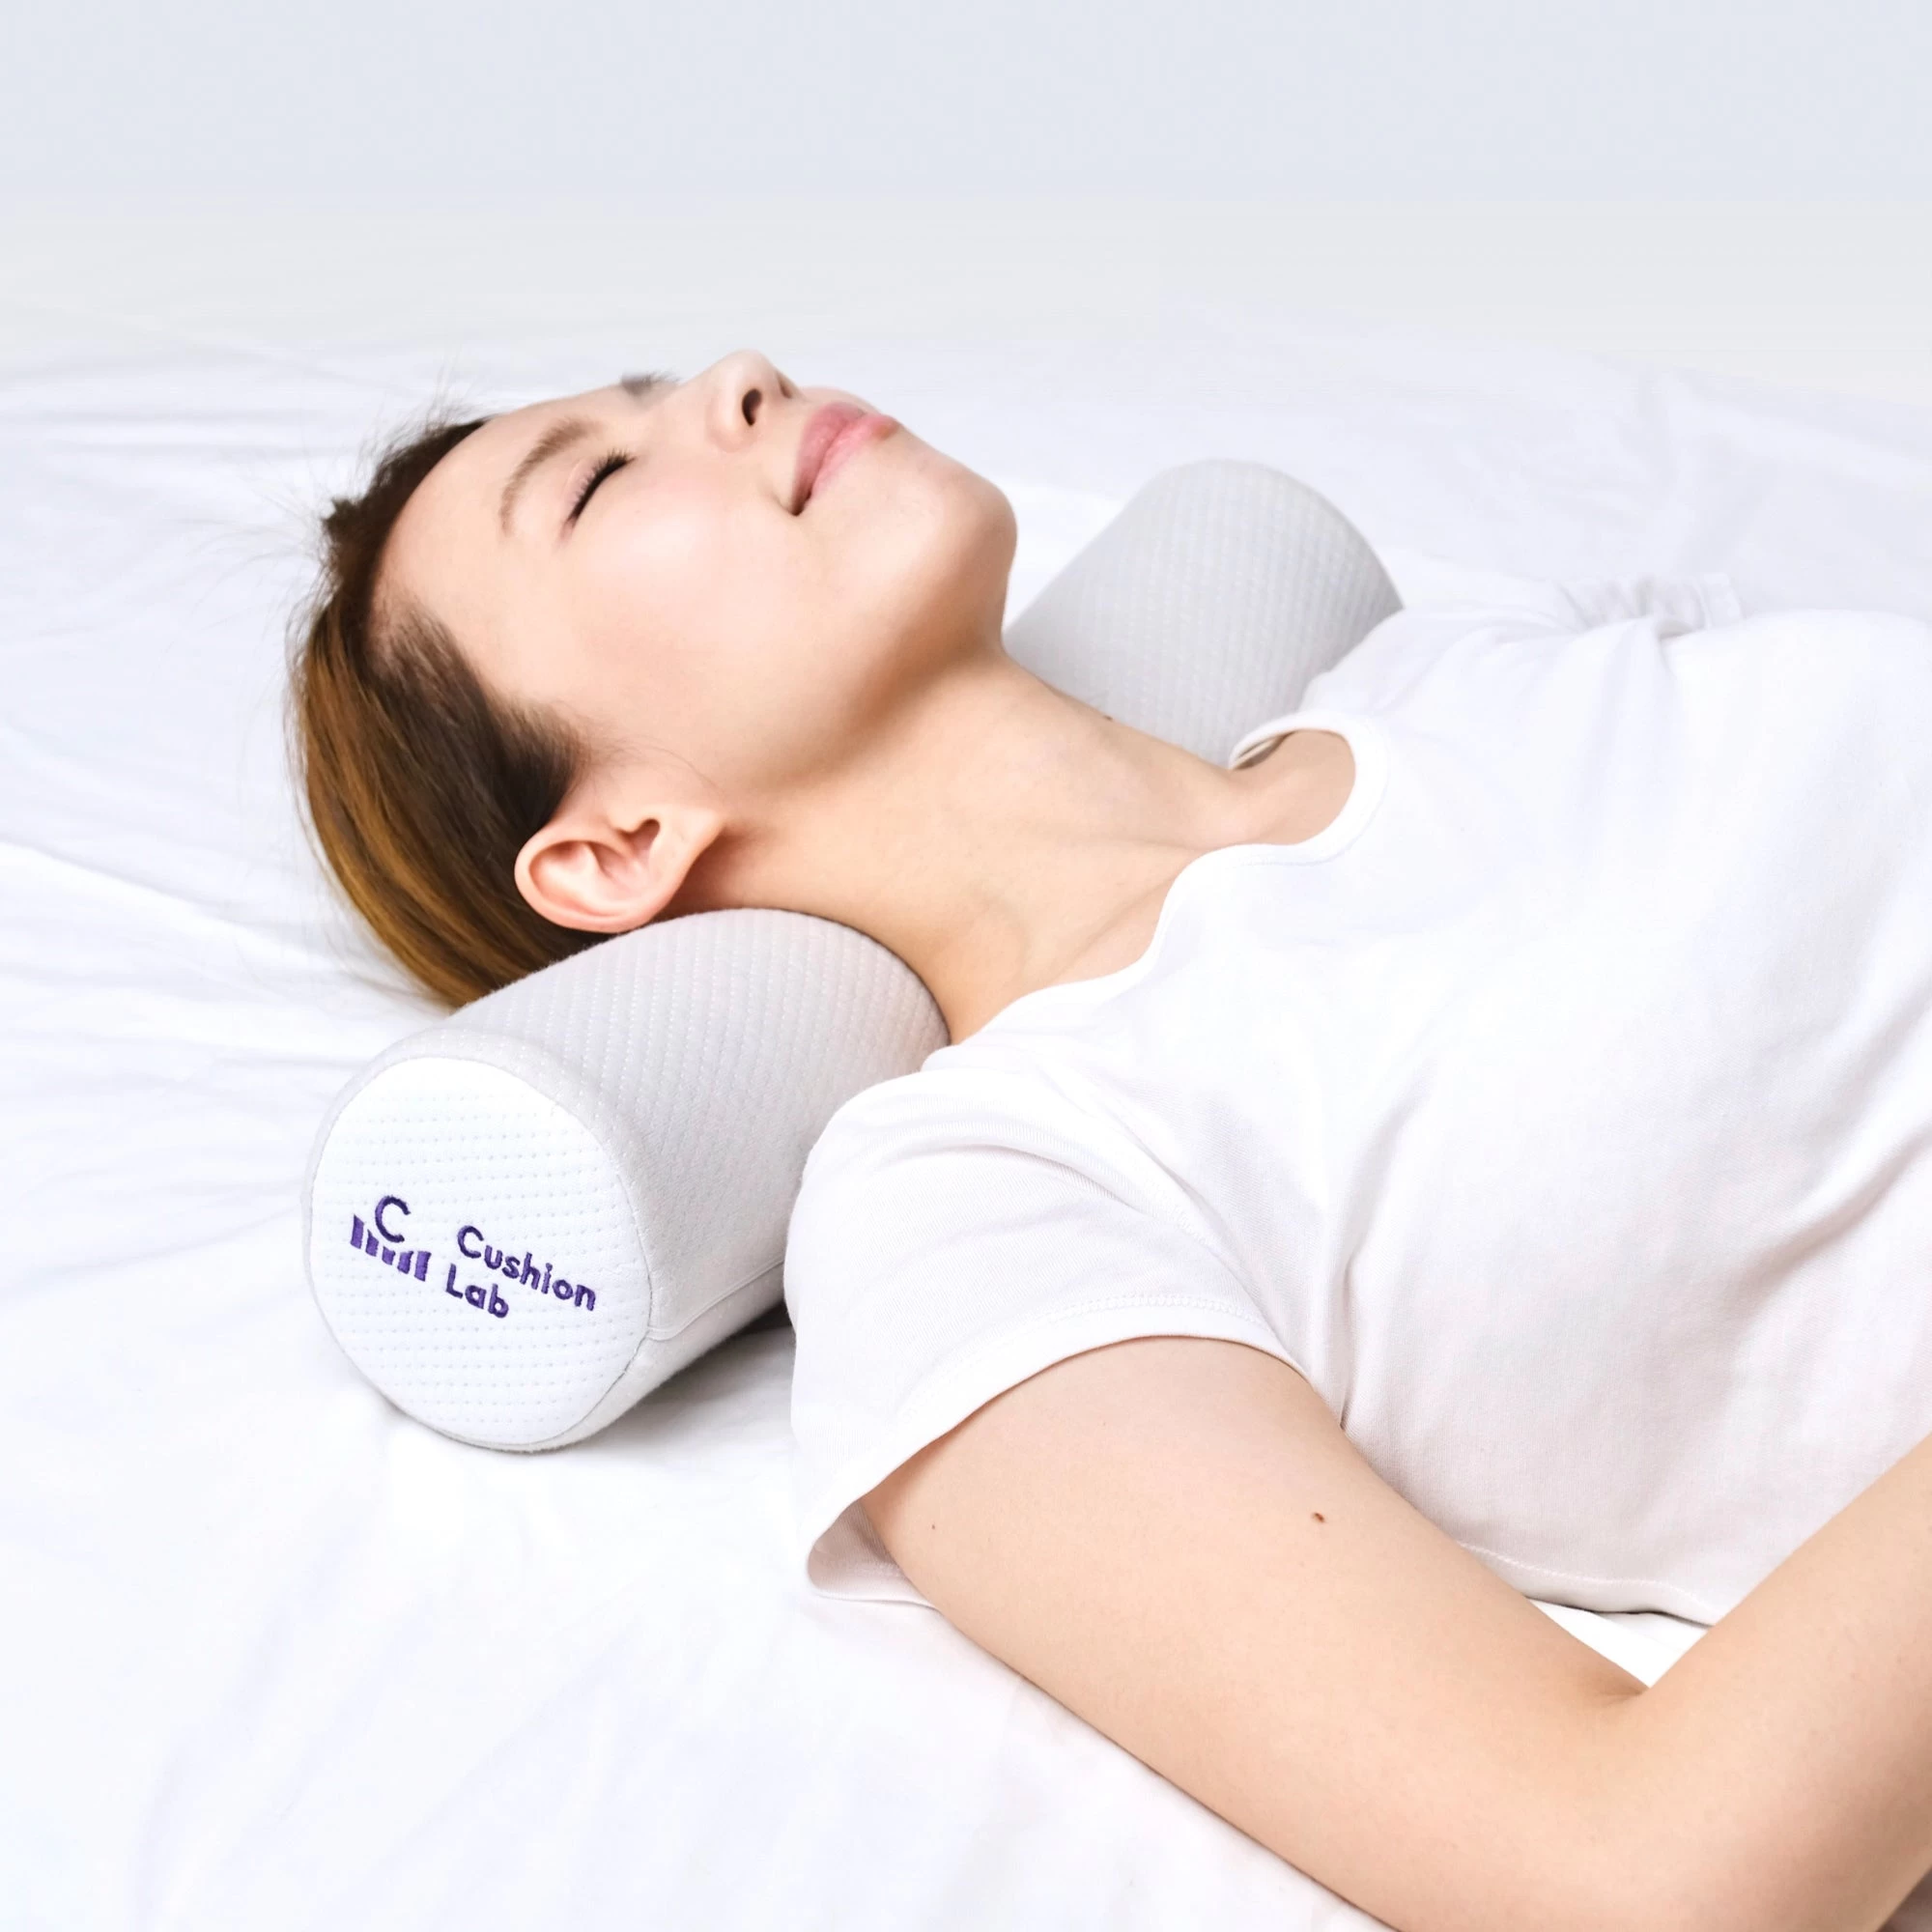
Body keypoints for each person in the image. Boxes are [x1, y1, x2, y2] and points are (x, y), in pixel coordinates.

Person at [290, 348, 1932, 1930]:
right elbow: (1638, 1876)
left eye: (663, 387)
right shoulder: (982, 1202)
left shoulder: (1452, 665)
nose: (740, 374)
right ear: (618, 846)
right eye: (594, 481)